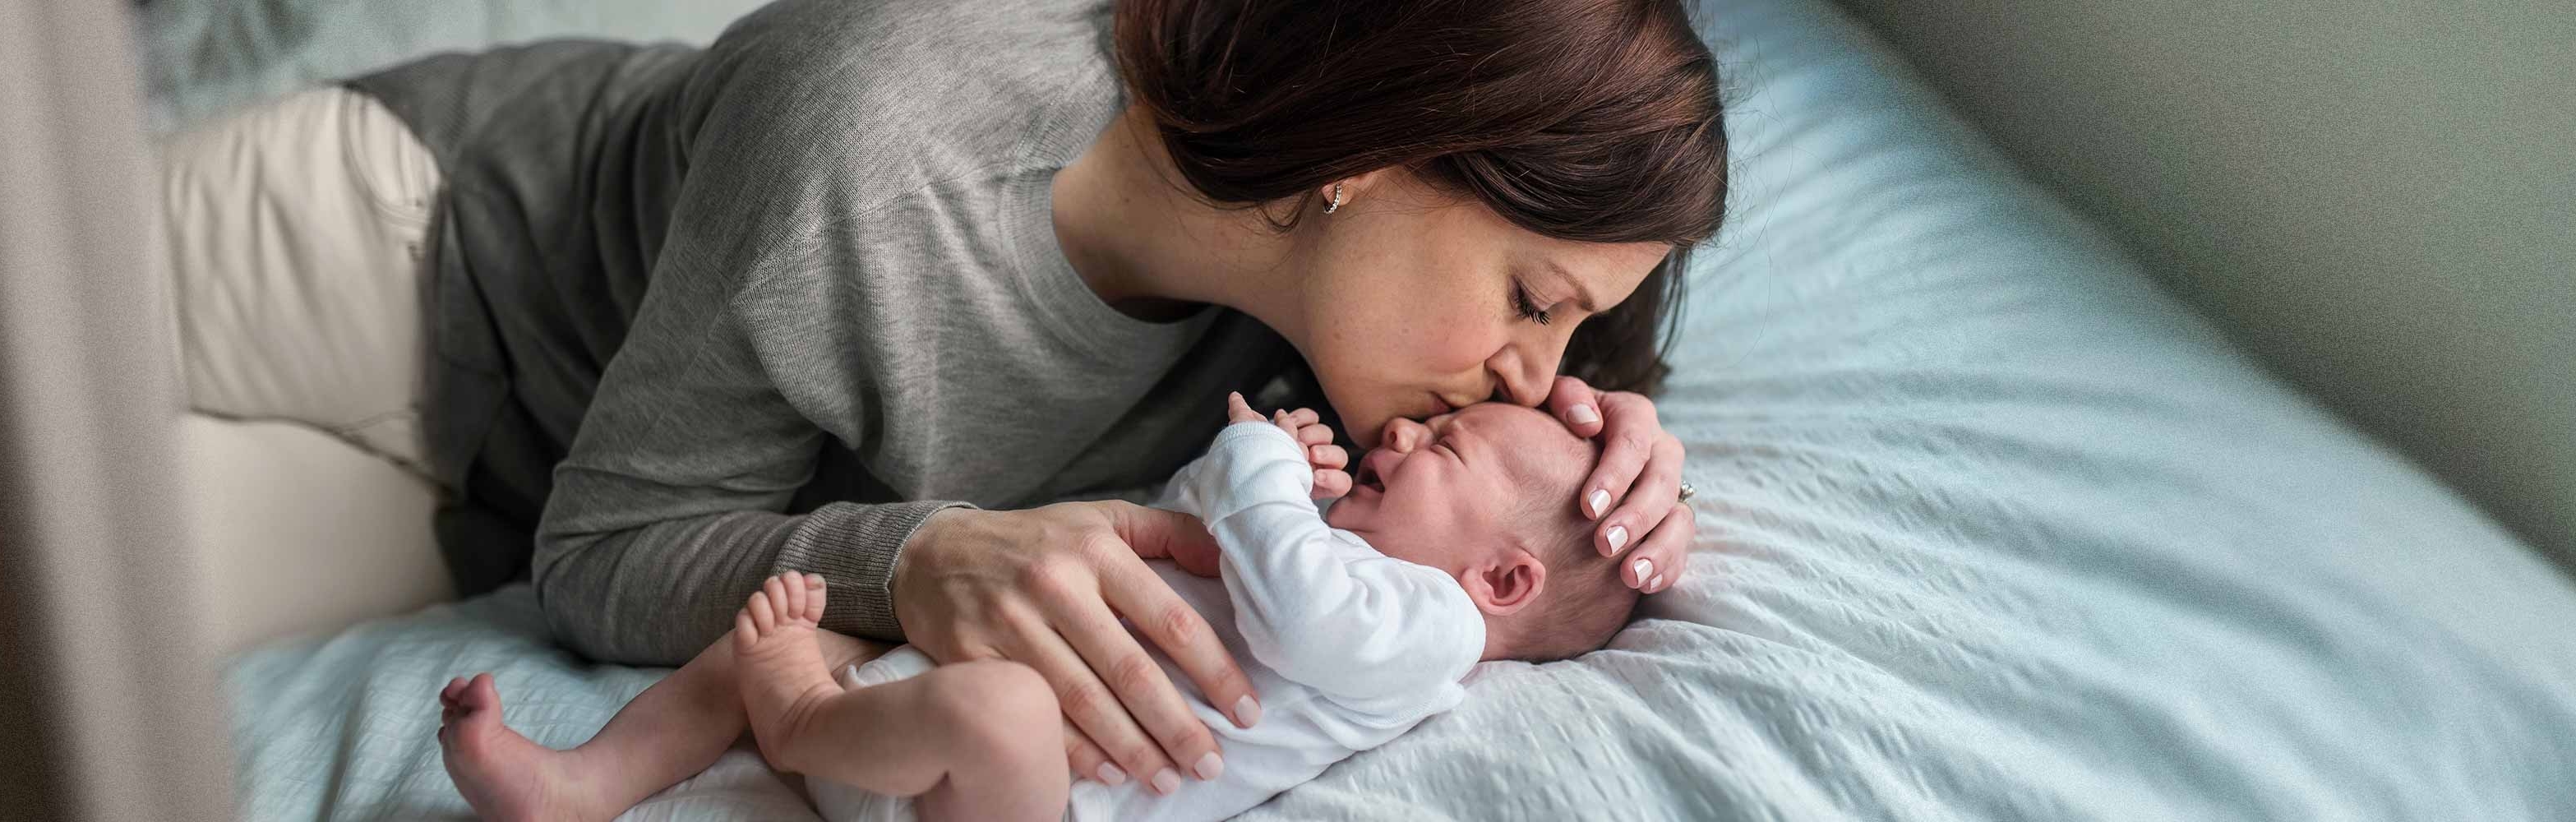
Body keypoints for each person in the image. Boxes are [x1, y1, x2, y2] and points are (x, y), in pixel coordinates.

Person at [160, 0, 1725, 790]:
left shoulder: (1357, 363)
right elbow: (610, 553)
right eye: (1534, 308)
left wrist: (1614, 450)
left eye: (1572, 350)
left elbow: (577, 543)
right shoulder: (887, 132)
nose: (1535, 376)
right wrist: (915, 554)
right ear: (1376, 151)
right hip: (402, 250)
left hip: (492, 502)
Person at [436, 395, 1643, 821]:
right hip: (916, 721)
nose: (1403, 429)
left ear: (1504, 579)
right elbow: (1157, 536)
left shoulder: (1428, 630)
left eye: (1447, 445)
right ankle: (584, 784)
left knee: (1000, 706)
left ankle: (797, 723)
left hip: (1021, 799)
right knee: (799, 615)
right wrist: (1253, 493)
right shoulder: (1336, 552)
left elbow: (1294, 621)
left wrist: (1265, 474)